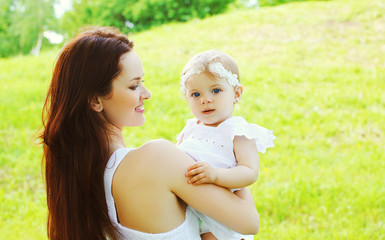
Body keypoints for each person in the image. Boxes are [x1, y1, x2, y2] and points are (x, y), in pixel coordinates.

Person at [40, 27, 260, 240]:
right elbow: (249, 222)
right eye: (134, 85)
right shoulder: (157, 158)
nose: (147, 93)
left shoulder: (82, 174)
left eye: (142, 82)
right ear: (95, 100)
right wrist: (231, 164)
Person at [177, 50, 276, 240]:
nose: (205, 99)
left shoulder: (236, 130)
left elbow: (249, 171)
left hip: (222, 212)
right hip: (191, 207)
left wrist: (216, 175)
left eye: (216, 90)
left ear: (236, 93)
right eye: (195, 94)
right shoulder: (190, 127)